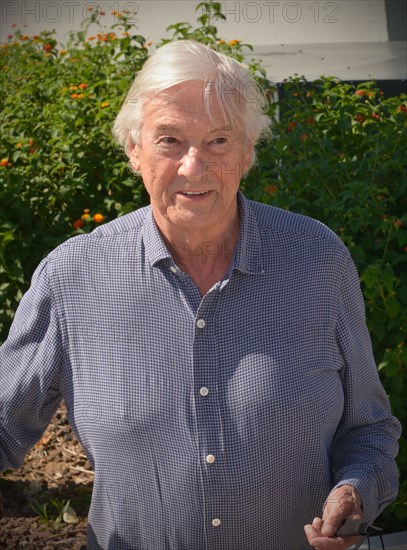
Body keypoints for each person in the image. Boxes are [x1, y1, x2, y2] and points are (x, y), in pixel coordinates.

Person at [0, 40, 401, 550]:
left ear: (248, 151)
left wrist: (355, 492)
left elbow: (368, 429)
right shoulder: (73, 276)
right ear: (133, 150)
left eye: (218, 140)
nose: (194, 166)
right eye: (169, 140)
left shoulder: (316, 260)